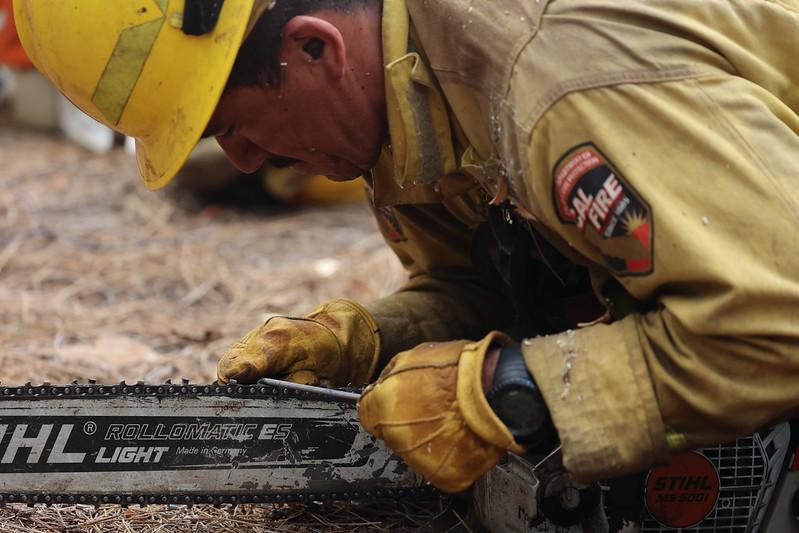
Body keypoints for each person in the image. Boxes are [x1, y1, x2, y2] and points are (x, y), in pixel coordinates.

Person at [14, 0, 799, 493]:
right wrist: (371, 341)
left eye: (231, 127)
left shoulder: (552, 76)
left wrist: (519, 391)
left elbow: (775, 318)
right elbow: (496, 285)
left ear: (317, 48)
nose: (245, 162)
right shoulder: (406, 99)